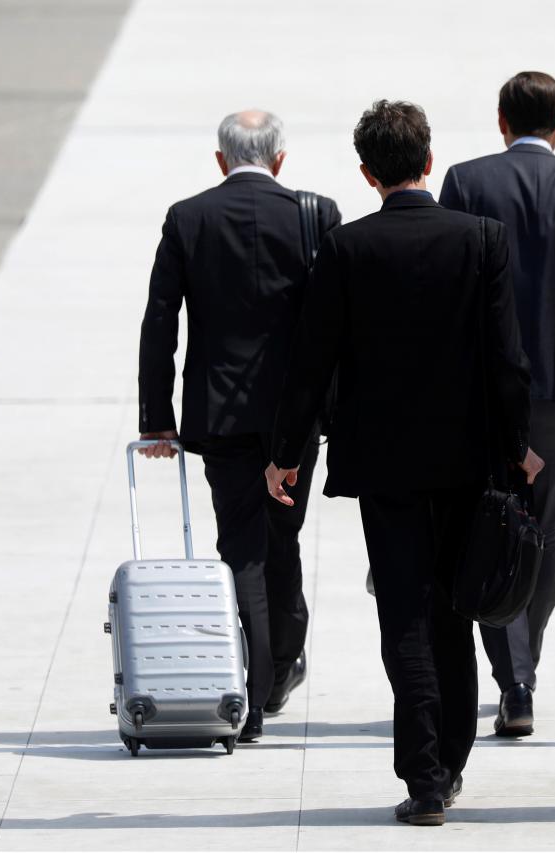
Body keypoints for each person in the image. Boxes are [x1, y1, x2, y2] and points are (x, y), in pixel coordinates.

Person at [265, 100, 540, 826]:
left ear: (367, 172)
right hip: (467, 459)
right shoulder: (483, 238)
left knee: (405, 615)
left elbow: (310, 362)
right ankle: (448, 761)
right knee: (455, 609)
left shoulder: (347, 248)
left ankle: (424, 775)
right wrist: (519, 449)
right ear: (429, 159)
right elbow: (507, 361)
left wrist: (284, 454)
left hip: (383, 465)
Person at [137, 109, 340, 743]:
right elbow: (338, 323)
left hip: (219, 413)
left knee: (242, 545)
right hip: (295, 417)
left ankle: (255, 690)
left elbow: (160, 321)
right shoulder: (317, 214)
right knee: (284, 535)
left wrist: (157, 418)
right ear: (279, 158)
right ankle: (278, 669)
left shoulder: (187, 217)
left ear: (221, 159)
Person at [439, 71, 555, 737]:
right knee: (541, 529)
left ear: (501, 121)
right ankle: (524, 671)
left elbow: (451, 287)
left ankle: (511, 679)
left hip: (484, 390)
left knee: (492, 522)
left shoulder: (466, 182)